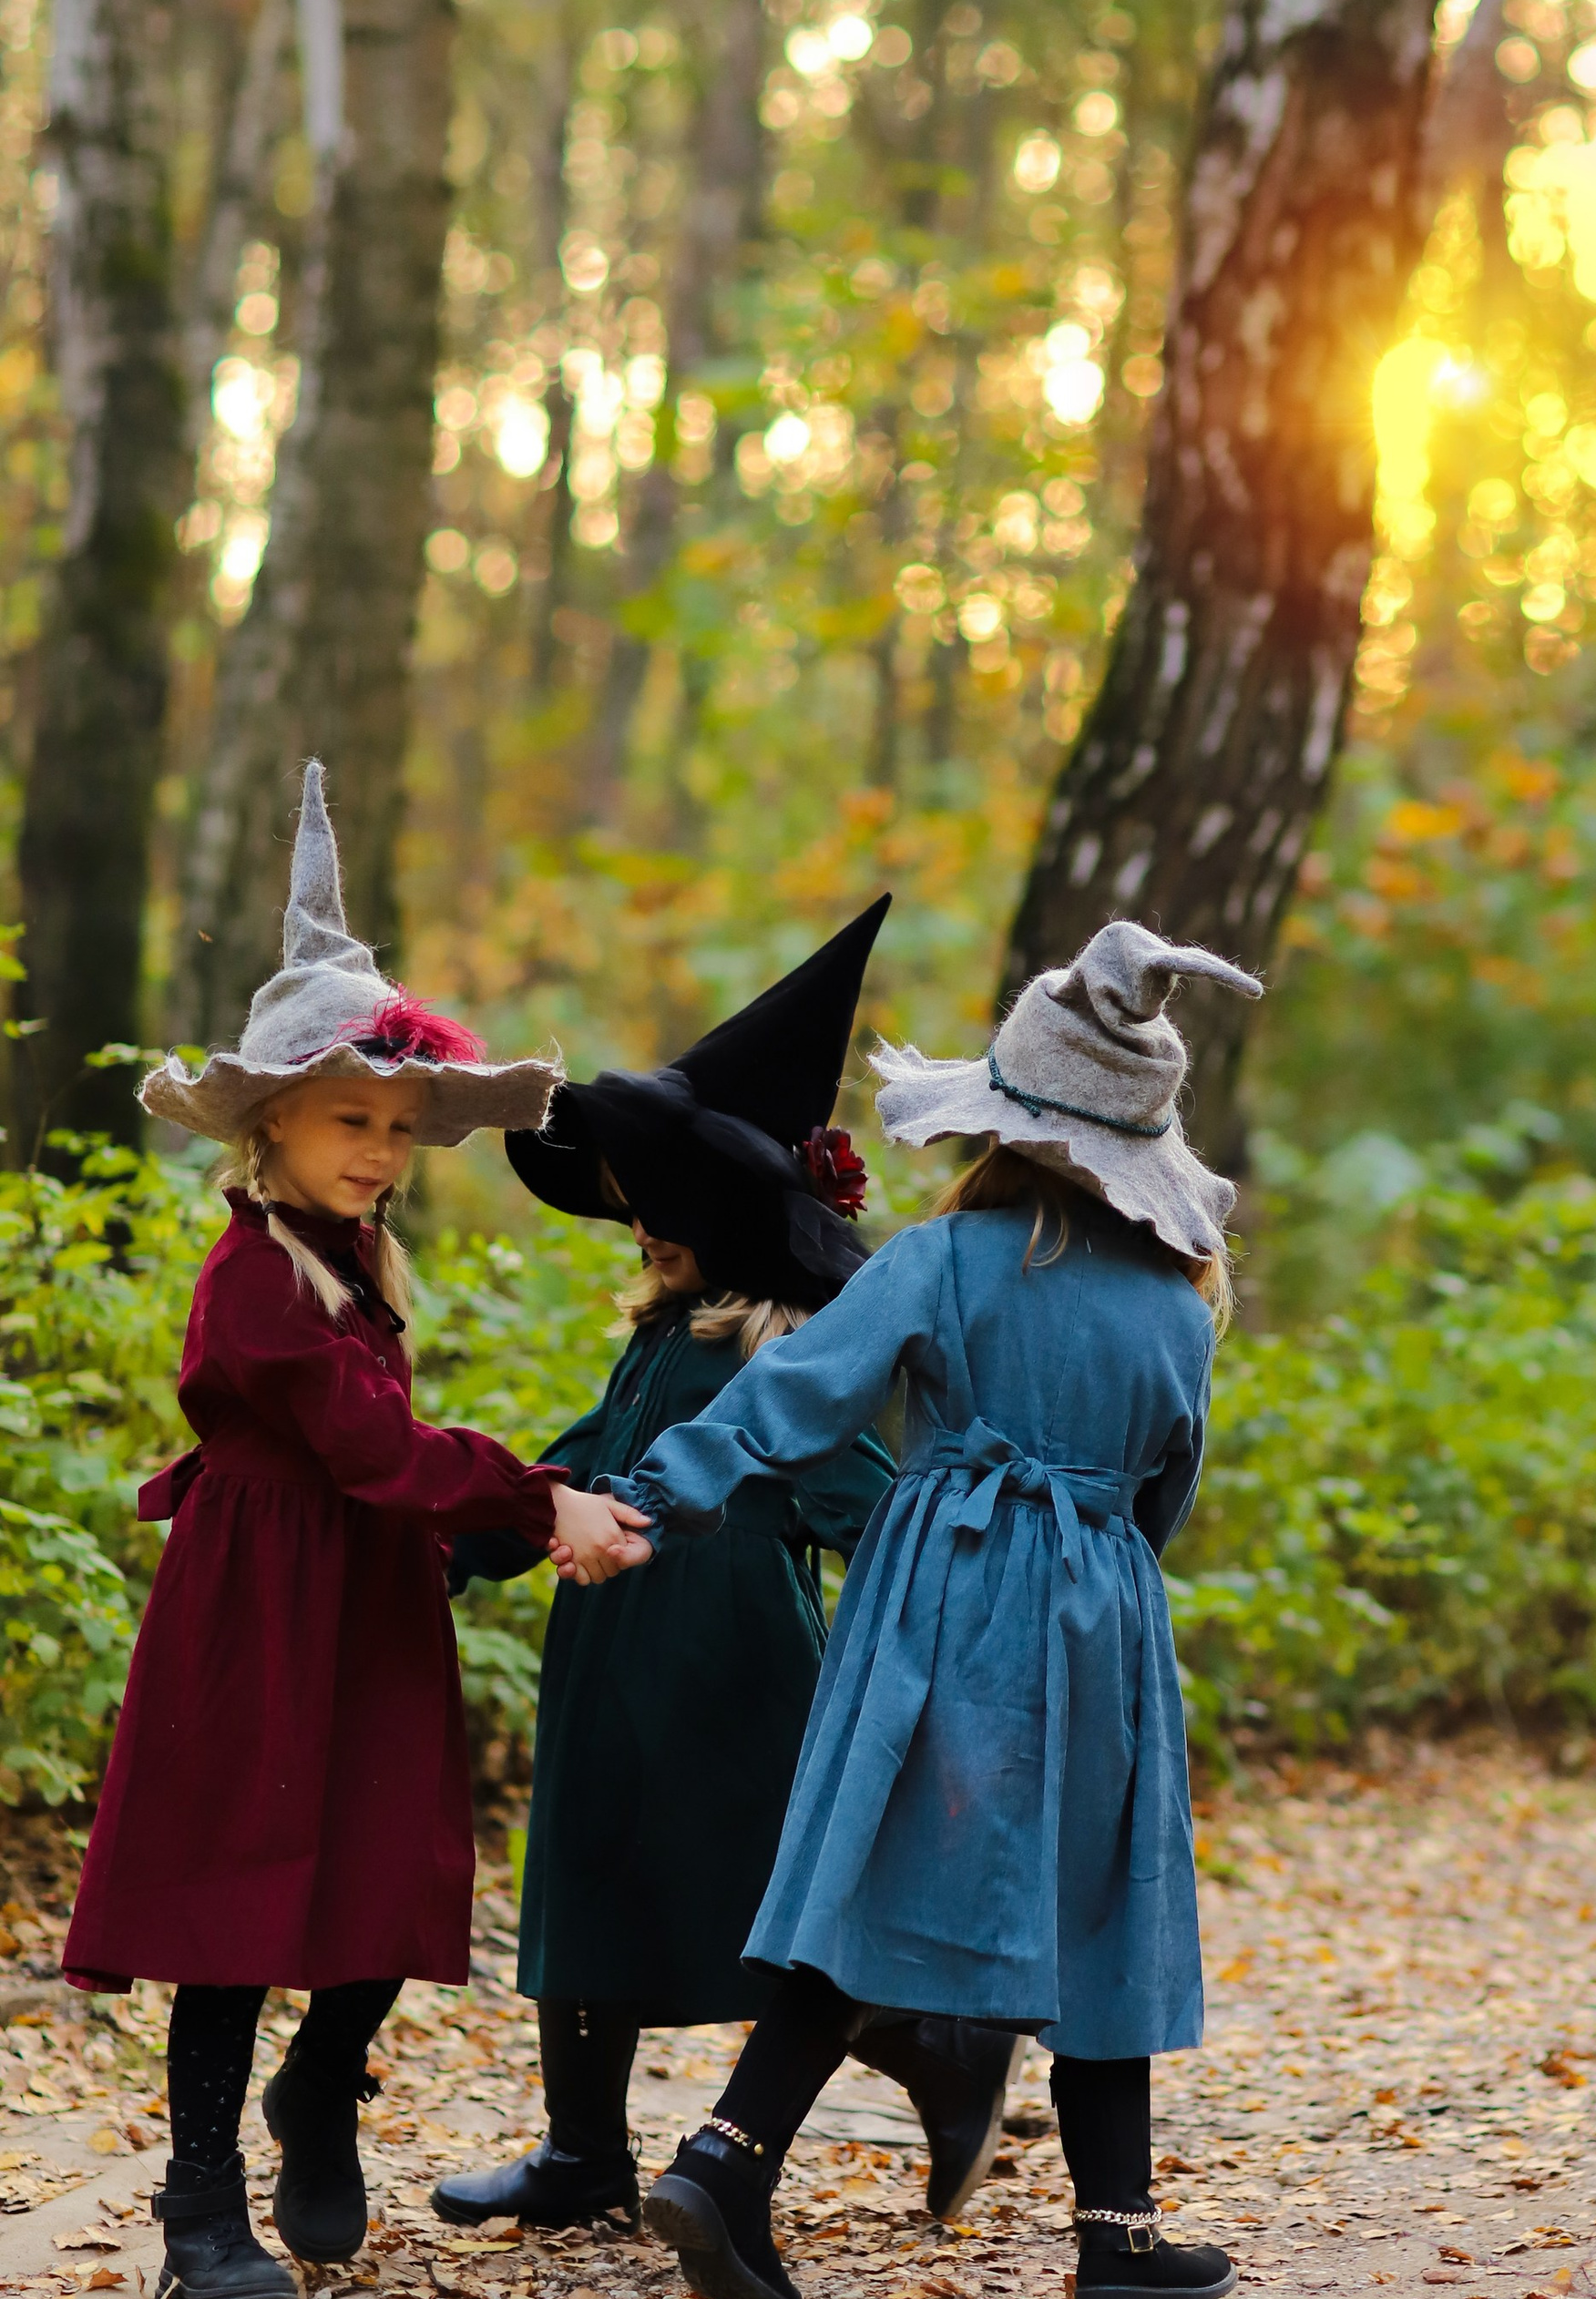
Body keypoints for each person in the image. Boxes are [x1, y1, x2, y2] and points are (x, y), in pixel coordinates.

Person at [553, 922, 1259, 2299]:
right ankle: (1115, 2238)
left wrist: (653, 1498)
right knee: (1101, 1896)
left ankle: (727, 2159)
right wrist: (1101, 1555)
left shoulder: (944, 1260)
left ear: (1004, 1128)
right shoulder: (1180, 1310)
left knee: (868, 1874)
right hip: (1098, 1606)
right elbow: (1162, 1490)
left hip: (939, 1589)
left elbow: (794, 1399)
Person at [63, 765, 632, 2299]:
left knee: (387, 1862)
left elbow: (381, 1463)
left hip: (366, 1590)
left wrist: (484, 1520)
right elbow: (366, 1440)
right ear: (273, 1124)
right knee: (237, 1893)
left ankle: (323, 2088)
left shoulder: (358, 1245)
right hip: (257, 1594)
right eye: (347, 1121)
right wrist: (535, 1496)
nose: (379, 1148)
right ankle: (199, 2206)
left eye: (396, 1125)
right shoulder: (254, 1277)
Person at [428, 897, 1022, 2233]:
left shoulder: (781, 1369)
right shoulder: (659, 1340)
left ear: (737, 1219)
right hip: (609, 1658)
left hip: (738, 1681)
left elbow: (879, 1506)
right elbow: (571, 1466)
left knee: (756, 1905)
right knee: (588, 1882)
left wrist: (952, 1625)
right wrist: (462, 1543)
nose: (636, 1222)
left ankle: (936, 2050)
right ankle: (583, 2151)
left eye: (661, 1205)